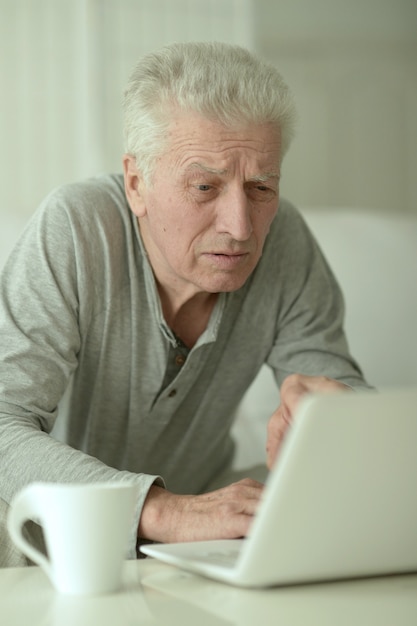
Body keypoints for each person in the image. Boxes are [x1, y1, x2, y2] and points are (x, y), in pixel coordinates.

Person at [0, 42, 368, 567]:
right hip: (40, 540)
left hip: (198, 545)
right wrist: (165, 512)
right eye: (204, 186)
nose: (240, 228)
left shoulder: (284, 240)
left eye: (261, 186)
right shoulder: (76, 229)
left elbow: (341, 396)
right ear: (136, 184)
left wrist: (342, 421)